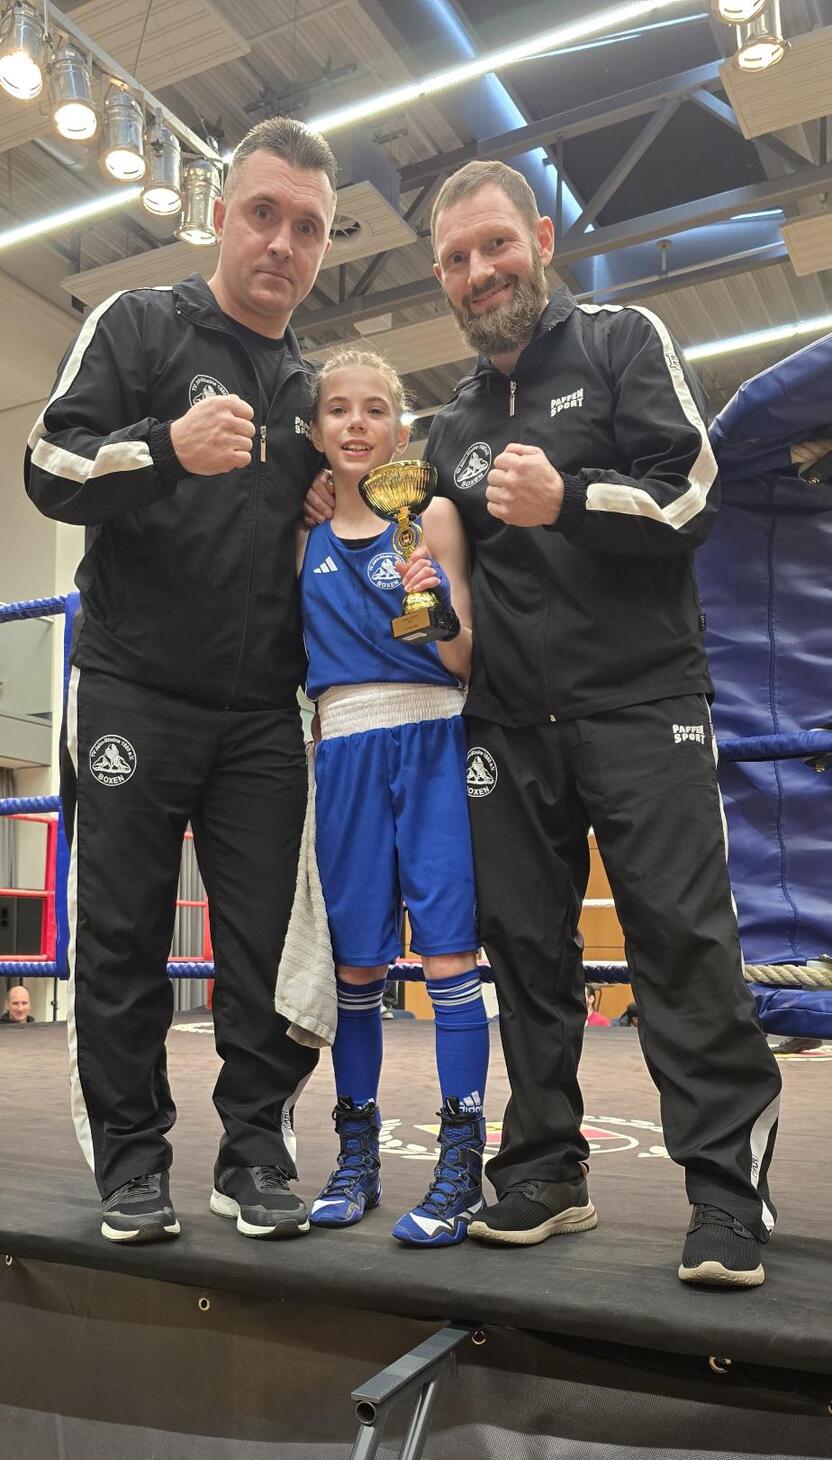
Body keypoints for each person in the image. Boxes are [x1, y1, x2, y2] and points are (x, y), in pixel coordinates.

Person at [421, 159, 782, 1287]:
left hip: (640, 700)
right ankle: (544, 1171)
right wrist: (422, 591)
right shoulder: (452, 422)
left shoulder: (624, 341)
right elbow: (450, 576)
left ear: (540, 238)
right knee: (526, 952)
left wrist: (568, 498)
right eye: (455, 260)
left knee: (680, 942)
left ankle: (725, 1193)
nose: (479, 272)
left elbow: (692, 496)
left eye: (494, 244)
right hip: (505, 721)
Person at [24, 117, 339, 1247]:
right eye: (263, 214)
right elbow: (48, 465)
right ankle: (131, 1160)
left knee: (262, 947)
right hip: (132, 687)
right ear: (218, 214)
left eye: (308, 227)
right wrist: (164, 445)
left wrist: (333, 502)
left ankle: (254, 1154)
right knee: (121, 936)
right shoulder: (140, 325)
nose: (282, 243)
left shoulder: (313, 389)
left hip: (263, 712)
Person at [301, 347, 490, 1246]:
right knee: (355, 968)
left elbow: (463, 657)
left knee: (448, 956)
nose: (356, 423)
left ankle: (461, 1166)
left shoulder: (433, 515)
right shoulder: (302, 535)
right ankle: (356, 1157)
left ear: (402, 429)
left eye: (374, 408)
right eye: (338, 409)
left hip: (432, 737)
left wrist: (439, 605)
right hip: (342, 749)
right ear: (315, 431)